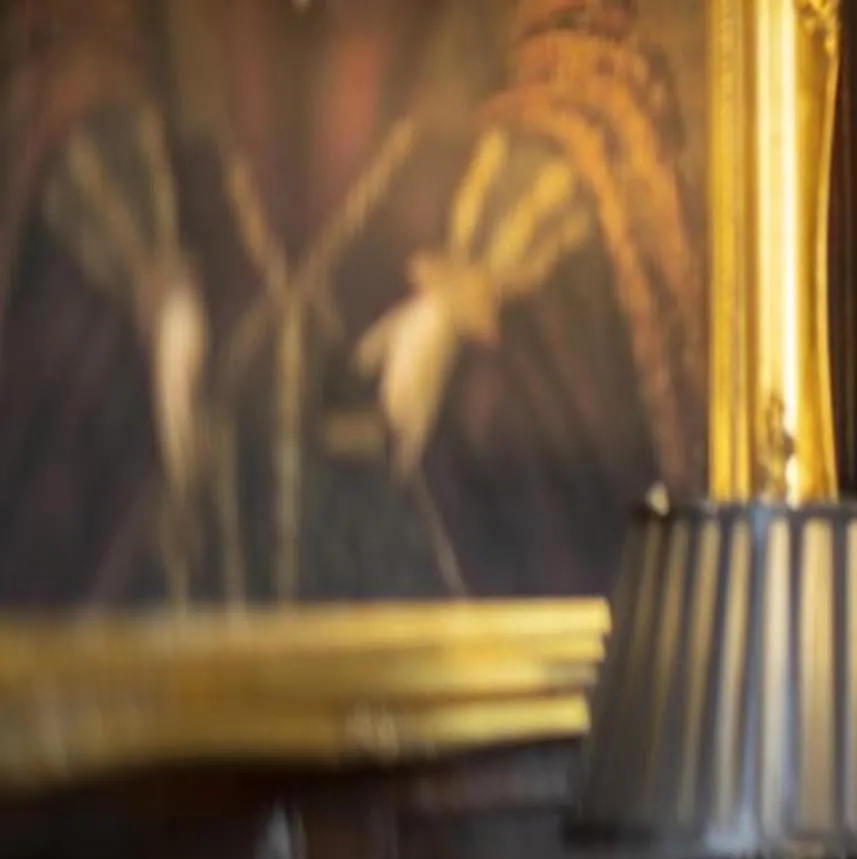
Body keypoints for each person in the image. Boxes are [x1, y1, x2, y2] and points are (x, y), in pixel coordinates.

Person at [0, 0, 702, 608]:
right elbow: (65, 53)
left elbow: (588, 72)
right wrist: (153, 279)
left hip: (439, 300)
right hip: (195, 292)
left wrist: (465, 292)